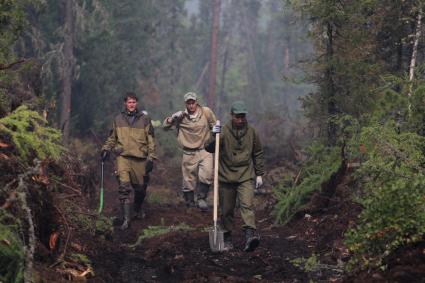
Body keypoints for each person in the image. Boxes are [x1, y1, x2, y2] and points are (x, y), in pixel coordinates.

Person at [205, 100, 264, 252]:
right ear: (232, 116)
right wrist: (214, 135)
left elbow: (257, 153)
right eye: (237, 116)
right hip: (226, 176)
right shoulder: (223, 131)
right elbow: (209, 148)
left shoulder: (252, 132)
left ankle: (250, 236)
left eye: (242, 116)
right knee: (226, 210)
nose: (240, 119)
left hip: (245, 175)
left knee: (247, 205)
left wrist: (259, 174)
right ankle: (227, 238)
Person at [101, 92, 156, 230]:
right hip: (122, 157)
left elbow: (151, 140)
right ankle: (126, 219)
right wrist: (106, 149)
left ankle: (137, 209)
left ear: (136, 103)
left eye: (134, 102)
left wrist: (151, 157)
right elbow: (112, 138)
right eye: (129, 102)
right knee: (124, 188)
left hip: (140, 158)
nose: (131, 104)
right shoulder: (118, 119)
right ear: (125, 103)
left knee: (140, 189)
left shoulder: (145, 119)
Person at [163, 92, 217, 211]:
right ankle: (189, 203)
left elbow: (214, 125)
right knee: (188, 179)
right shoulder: (181, 116)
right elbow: (165, 127)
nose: (191, 105)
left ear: (196, 102)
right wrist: (172, 118)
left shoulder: (206, 112)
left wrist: (216, 131)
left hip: (205, 149)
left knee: (207, 174)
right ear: (185, 104)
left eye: (193, 102)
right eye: (189, 103)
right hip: (188, 151)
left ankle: (202, 198)